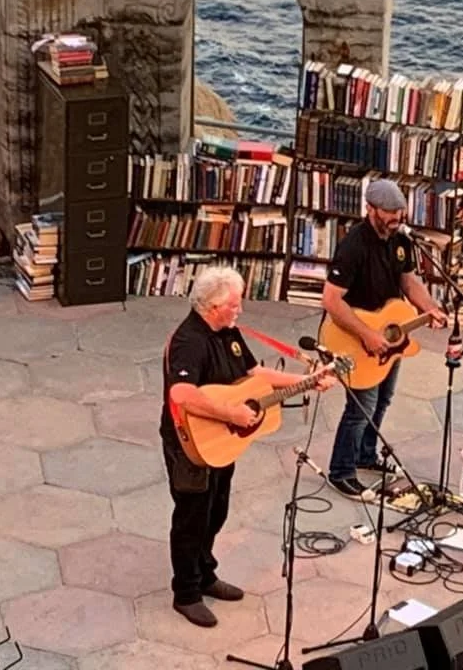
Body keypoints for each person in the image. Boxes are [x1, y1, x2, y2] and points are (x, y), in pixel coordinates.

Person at [160, 266, 336, 628]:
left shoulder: (228, 332)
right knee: (192, 515)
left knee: (216, 509)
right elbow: (181, 393)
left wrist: (307, 380)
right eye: (234, 306)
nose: (239, 311)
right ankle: (186, 592)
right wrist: (230, 412)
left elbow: (255, 375)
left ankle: (206, 573)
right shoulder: (189, 341)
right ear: (212, 306)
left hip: (222, 441)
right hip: (190, 442)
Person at [321, 179, 447, 501]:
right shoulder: (353, 246)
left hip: (391, 335)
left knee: (384, 398)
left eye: (399, 211)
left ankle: (366, 455)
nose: (396, 217)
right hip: (355, 337)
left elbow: (408, 280)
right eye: (389, 212)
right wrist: (367, 334)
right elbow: (332, 301)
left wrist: (429, 307)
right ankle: (341, 472)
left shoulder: (399, 240)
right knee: (361, 406)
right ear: (371, 209)